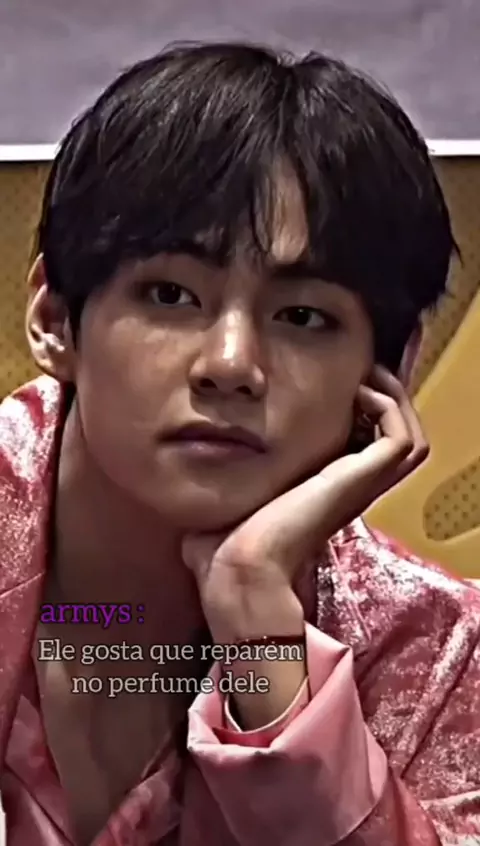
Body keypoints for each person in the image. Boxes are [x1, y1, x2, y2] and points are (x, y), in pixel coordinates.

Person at [0, 40, 478, 846]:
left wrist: (263, 642)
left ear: (390, 367)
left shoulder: (439, 649)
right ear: (54, 320)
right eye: (170, 295)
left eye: (302, 316)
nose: (230, 365)